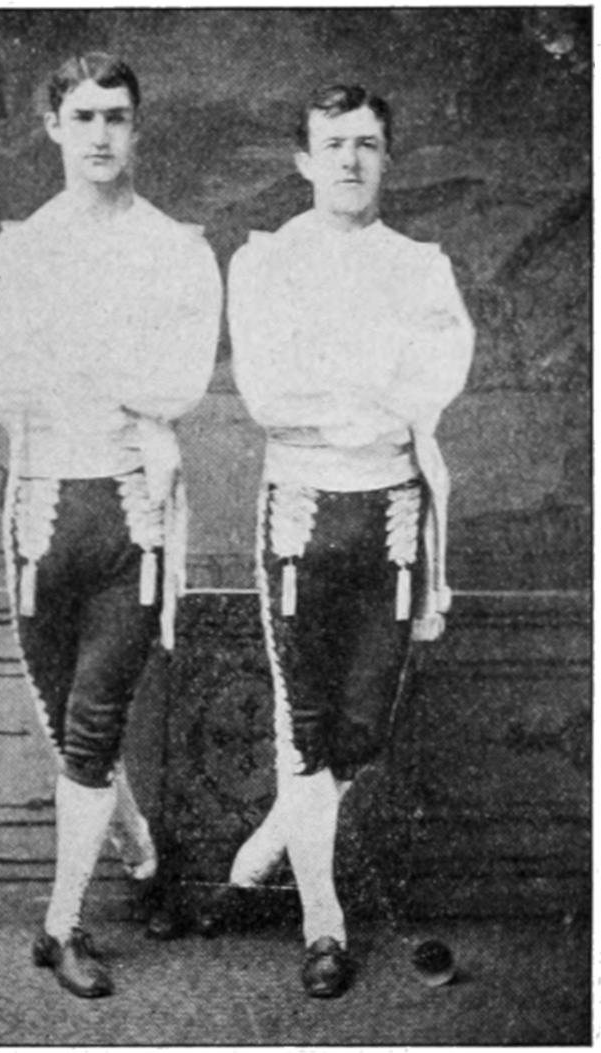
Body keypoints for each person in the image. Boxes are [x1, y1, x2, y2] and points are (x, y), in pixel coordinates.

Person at [0, 52, 221, 998]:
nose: (101, 134)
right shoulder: (16, 252)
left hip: (131, 514)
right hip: (42, 512)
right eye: (83, 117)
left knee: (92, 726)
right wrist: (116, 365)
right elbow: (2, 388)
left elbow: (180, 381)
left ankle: (61, 925)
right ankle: (149, 862)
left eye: (116, 116)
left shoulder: (175, 249)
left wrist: (77, 364)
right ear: (53, 127)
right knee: (70, 730)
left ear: (137, 127)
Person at [227, 83, 474, 998]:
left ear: (387, 157)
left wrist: (354, 393)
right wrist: (370, 392)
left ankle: (273, 836)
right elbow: (269, 393)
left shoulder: (421, 267)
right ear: (304, 158)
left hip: (393, 517)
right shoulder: (265, 263)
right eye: (333, 144)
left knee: (361, 726)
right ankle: (322, 927)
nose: (350, 160)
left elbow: (432, 383)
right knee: (306, 730)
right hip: (301, 512)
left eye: (367, 143)